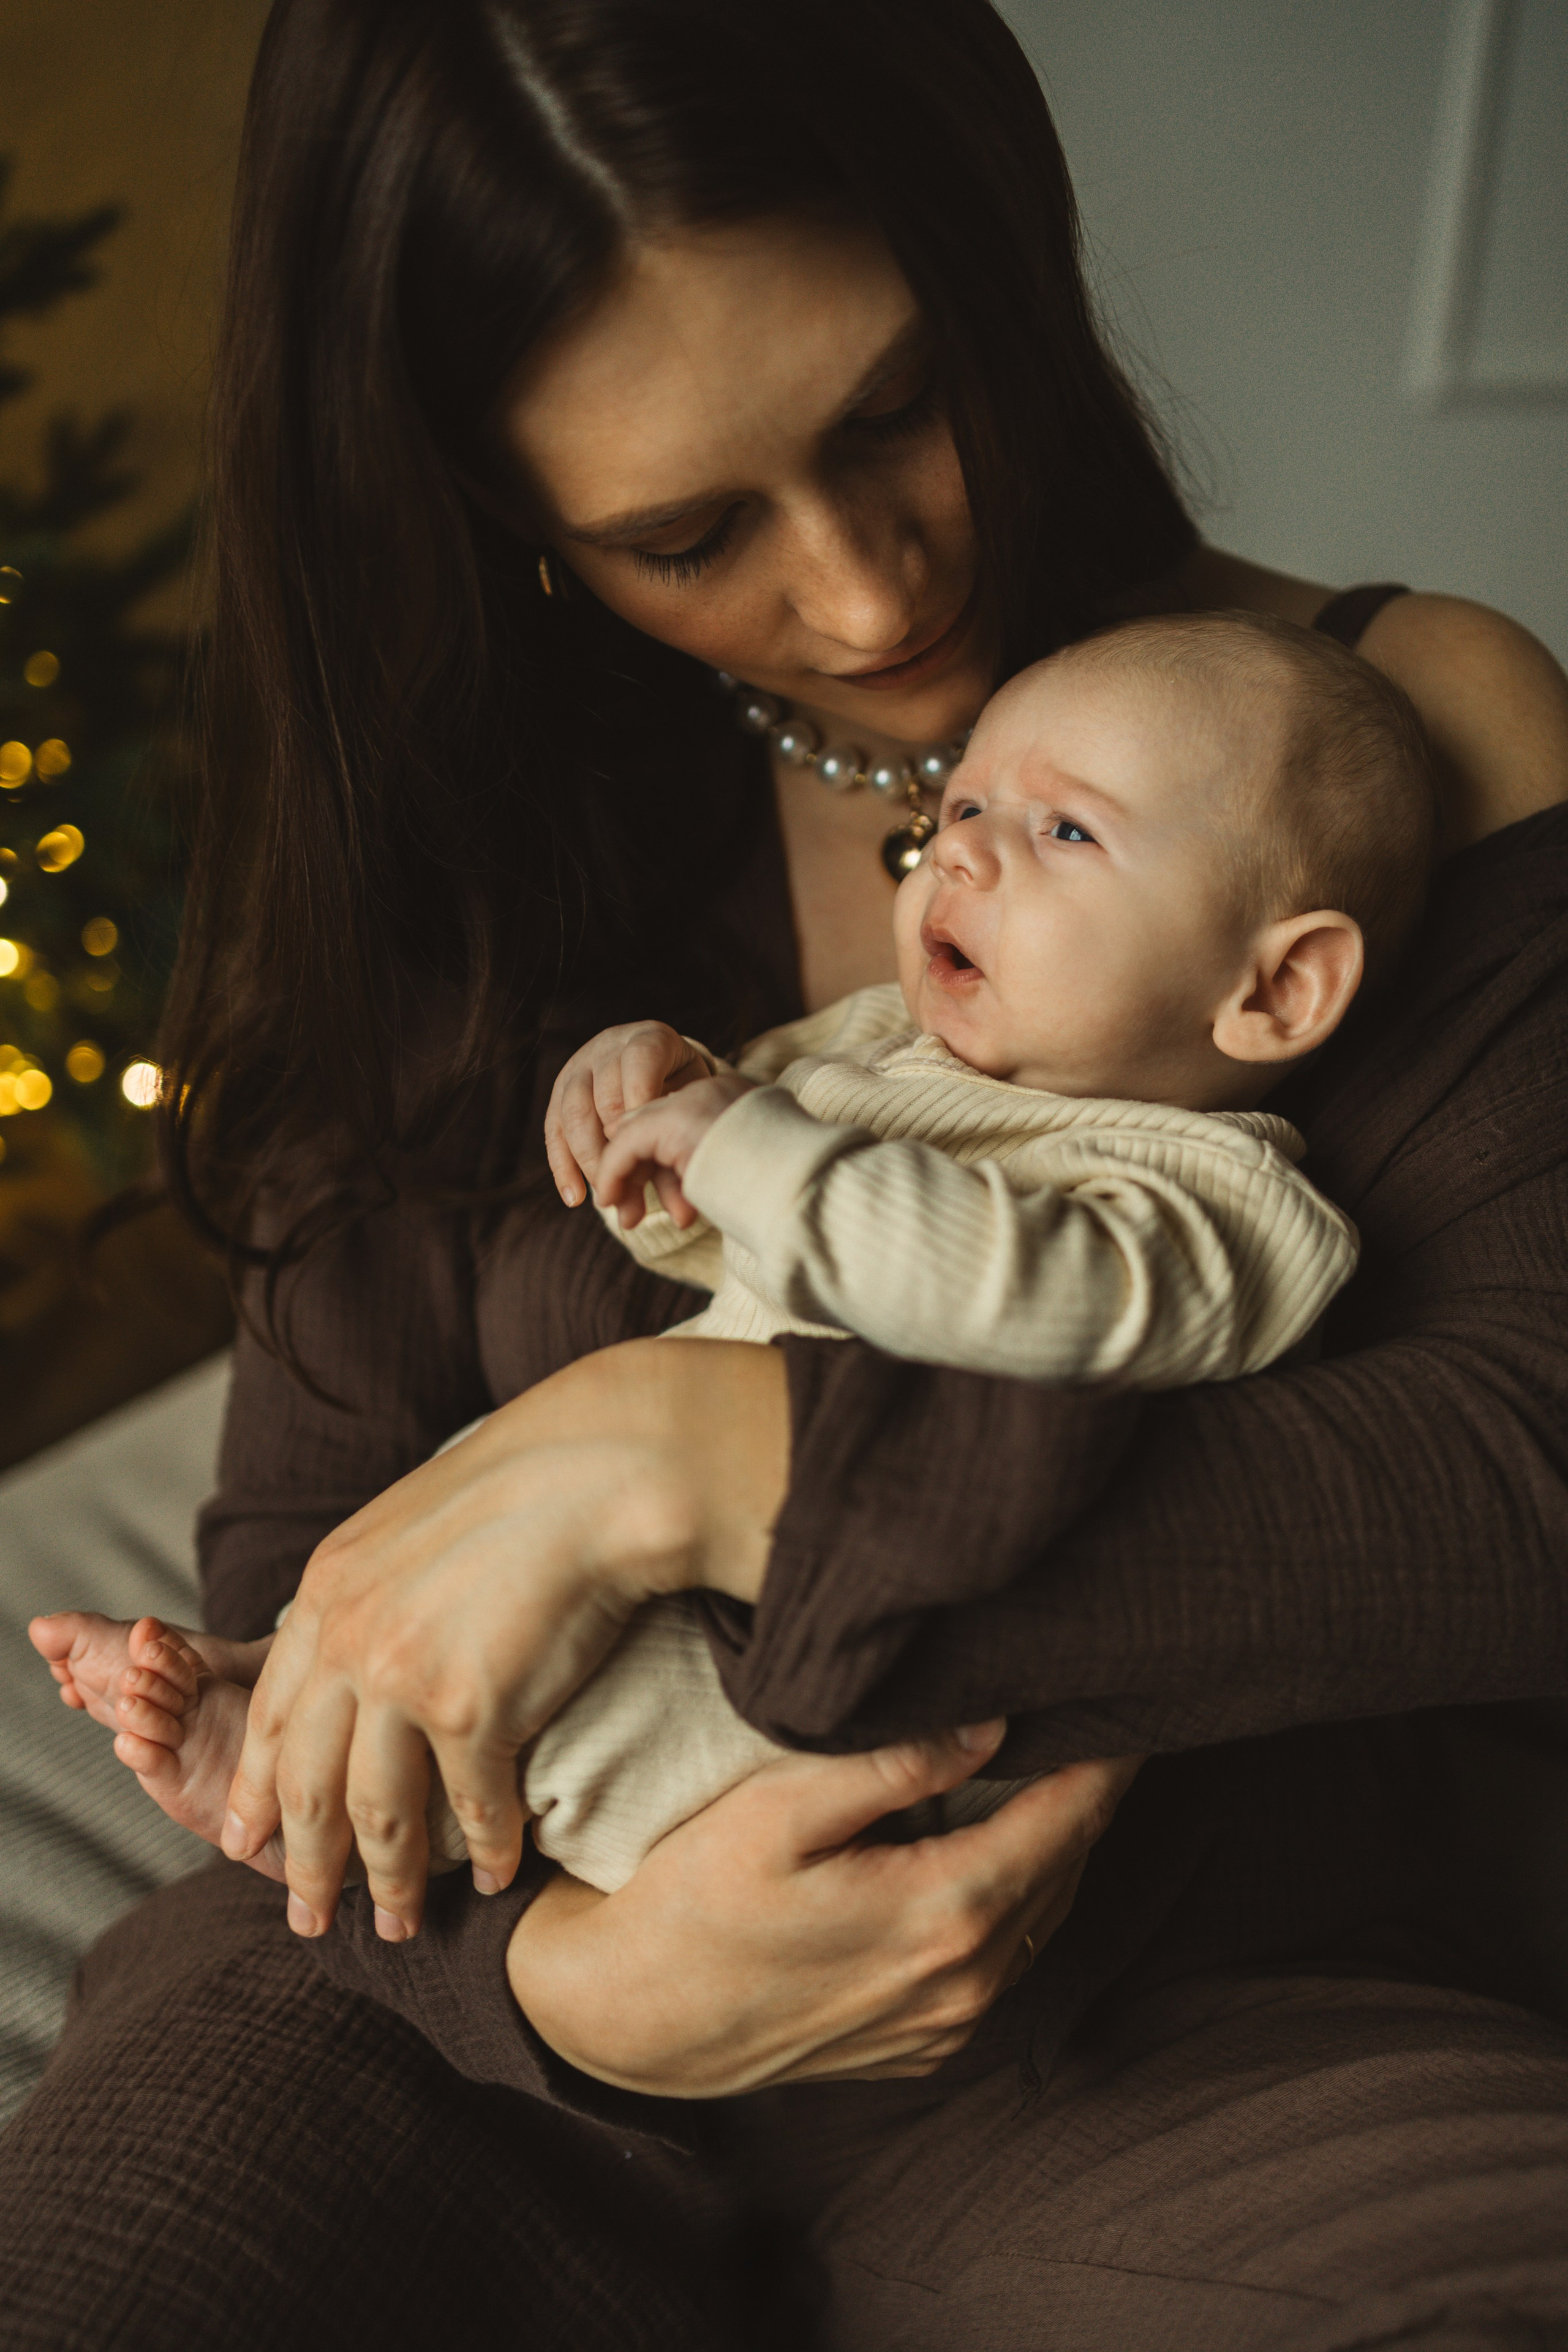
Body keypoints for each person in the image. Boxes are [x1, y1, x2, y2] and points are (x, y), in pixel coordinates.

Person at [3, 2, 1568, 2346]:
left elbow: (1515, 1488)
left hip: (1171, 1999)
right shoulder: (451, 853)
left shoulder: (1388, 746)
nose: (862, 598)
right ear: (503, 517)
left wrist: (699, 1456)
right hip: (472, 1981)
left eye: (896, 404)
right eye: (686, 531)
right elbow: (302, 1564)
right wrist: (590, 1998)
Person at [31, 609, 1412, 1893]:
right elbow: (733, 1230)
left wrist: (749, 1147)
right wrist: (654, 1117)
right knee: (456, 1502)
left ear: (1275, 987)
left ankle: (338, 1802)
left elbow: (1028, 1301)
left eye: (1064, 833)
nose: (962, 853)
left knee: (645, 1708)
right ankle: (283, 1680)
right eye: (965, 806)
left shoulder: (1220, 1197)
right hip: (650, 1539)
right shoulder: (886, 1049)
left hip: (843, 1663)